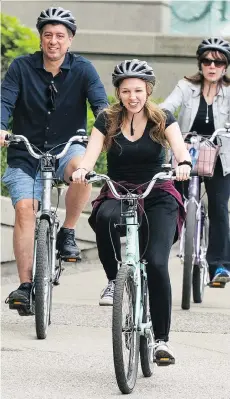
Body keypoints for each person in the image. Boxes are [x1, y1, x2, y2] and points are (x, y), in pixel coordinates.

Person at [71, 59, 191, 362]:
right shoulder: (107, 119)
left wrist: (184, 164)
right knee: (103, 217)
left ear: (148, 90)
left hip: (156, 191)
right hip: (120, 189)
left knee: (157, 263)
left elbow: (180, 150)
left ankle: (161, 340)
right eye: (126, 91)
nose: (132, 96)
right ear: (118, 92)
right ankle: (115, 280)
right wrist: (83, 170)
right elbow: (90, 155)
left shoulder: (163, 117)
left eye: (138, 90)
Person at [1, 6, 108, 314]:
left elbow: (100, 105)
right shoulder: (21, 68)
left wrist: (105, 128)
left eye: (60, 36)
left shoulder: (83, 69)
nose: (53, 41)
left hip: (67, 149)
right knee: (24, 210)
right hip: (26, 152)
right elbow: (4, 101)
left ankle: (68, 230)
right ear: (41, 39)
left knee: (81, 172)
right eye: (48, 35)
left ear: (70, 41)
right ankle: (25, 287)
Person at [160, 37, 230, 285]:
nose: (213, 66)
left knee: (219, 207)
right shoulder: (185, 86)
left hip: (219, 157)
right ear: (200, 64)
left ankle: (220, 266)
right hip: (185, 153)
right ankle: (155, 258)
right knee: (172, 204)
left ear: (225, 66)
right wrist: (158, 116)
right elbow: (167, 107)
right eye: (207, 61)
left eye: (219, 62)